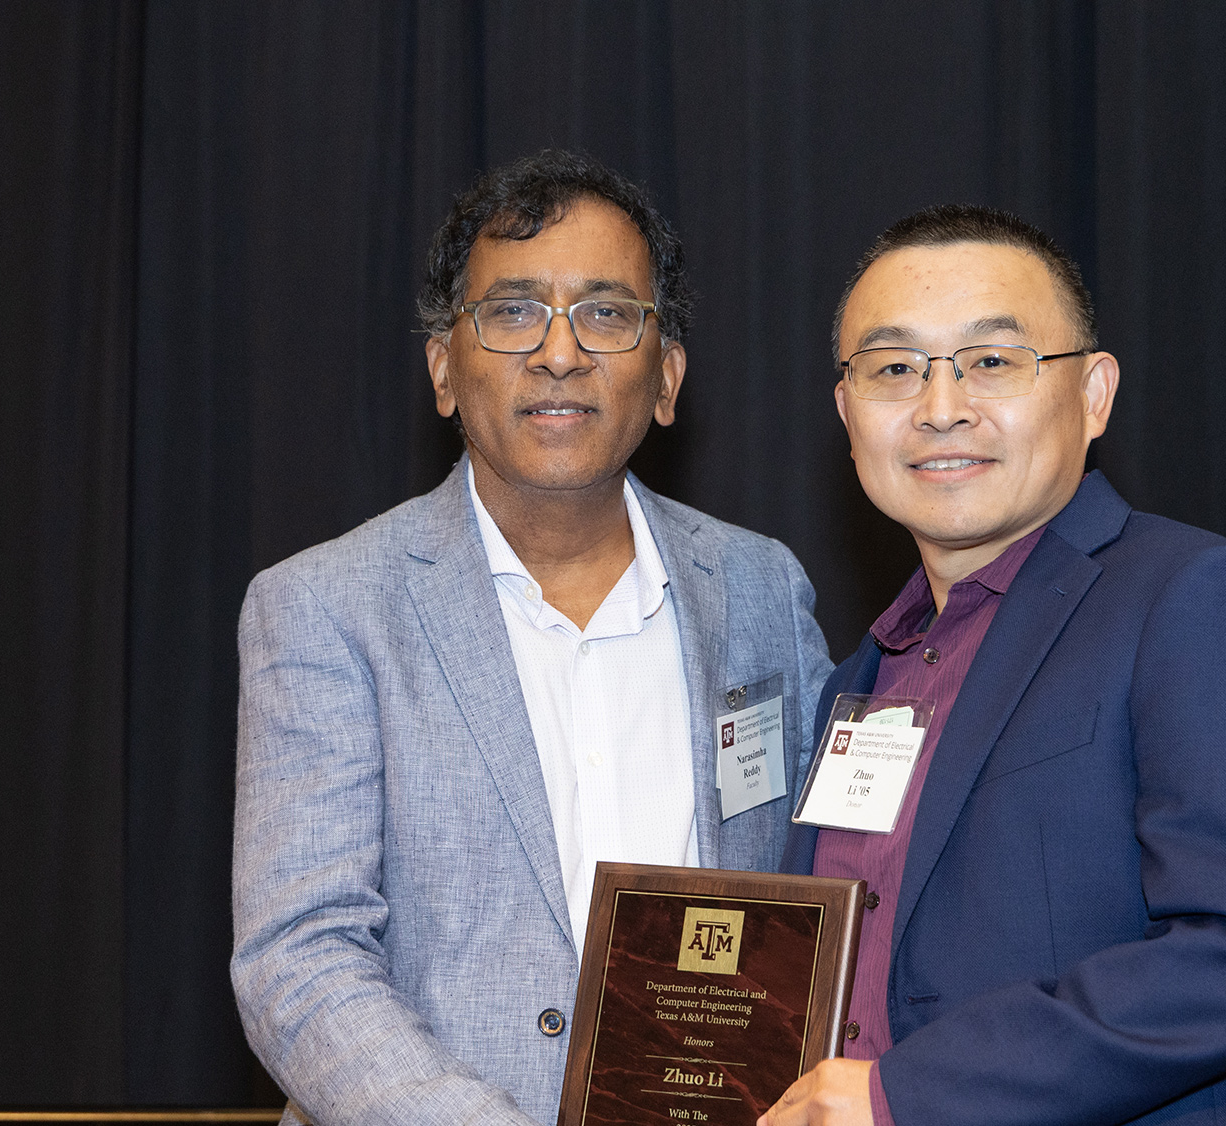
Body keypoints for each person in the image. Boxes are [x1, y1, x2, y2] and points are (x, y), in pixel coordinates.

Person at [232, 150, 833, 1126]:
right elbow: (298, 958)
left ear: (667, 375)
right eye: (511, 312)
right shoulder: (325, 605)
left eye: (605, 312)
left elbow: (814, 884)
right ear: (442, 366)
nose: (559, 352)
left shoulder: (760, 586)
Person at [761, 206, 1226, 1126]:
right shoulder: (861, 678)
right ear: (846, 412)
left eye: (992, 362)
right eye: (894, 369)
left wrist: (906, 1096)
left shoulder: (1185, 598)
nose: (941, 407)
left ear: (1096, 393)